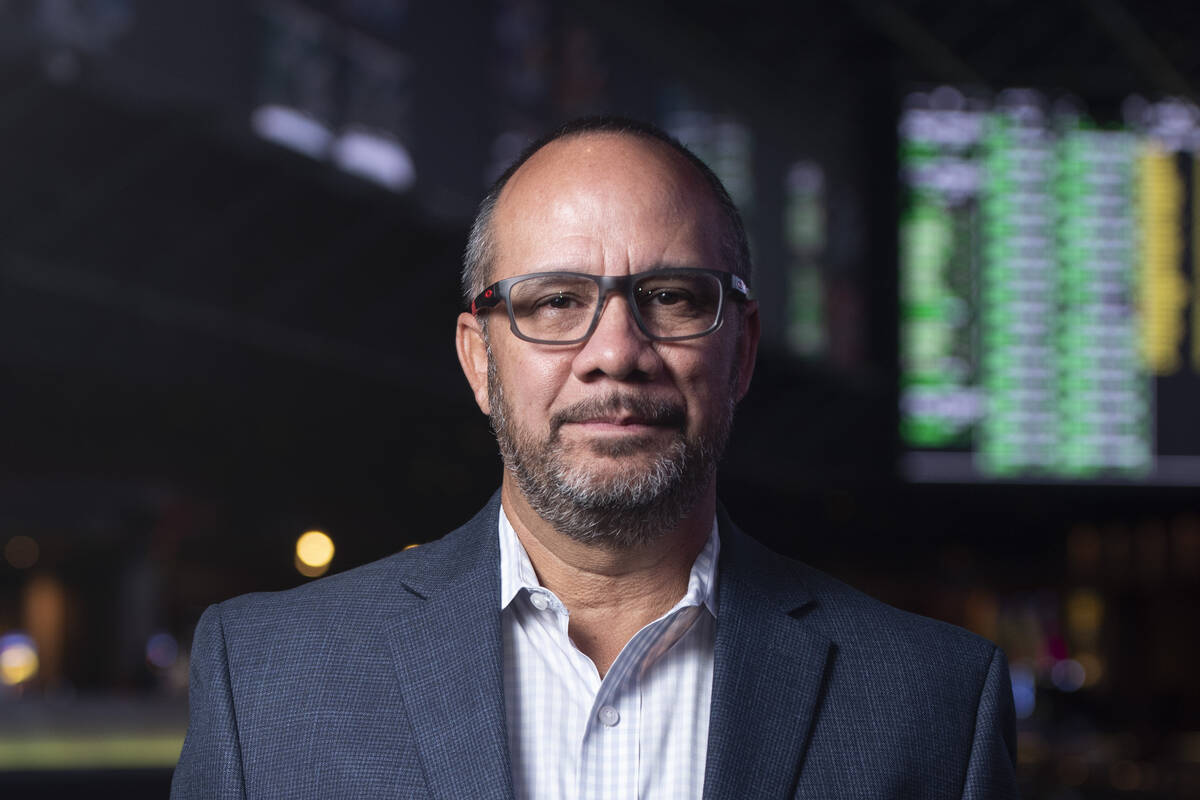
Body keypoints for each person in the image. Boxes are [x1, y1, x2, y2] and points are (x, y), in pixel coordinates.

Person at [171, 117, 1018, 799]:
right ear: (478, 359)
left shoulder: (934, 701)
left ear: (743, 350)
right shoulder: (266, 679)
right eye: (556, 301)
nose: (616, 350)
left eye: (673, 297)